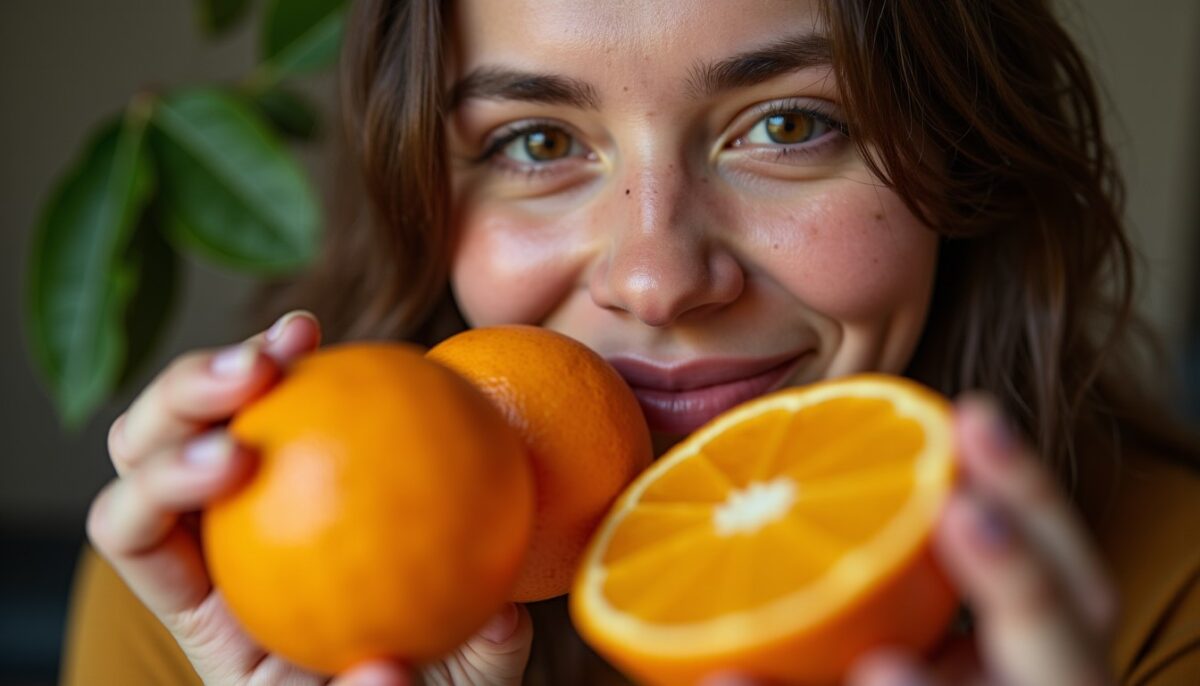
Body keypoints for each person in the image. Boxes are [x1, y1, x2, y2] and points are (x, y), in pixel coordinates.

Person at [61, 0, 1200, 684]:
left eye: (789, 126)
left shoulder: (1163, 591)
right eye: (538, 139)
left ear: (964, 158)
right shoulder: (225, 602)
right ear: (421, 195)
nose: (655, 279)